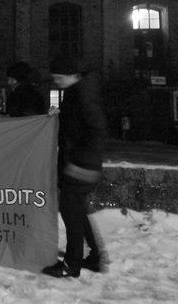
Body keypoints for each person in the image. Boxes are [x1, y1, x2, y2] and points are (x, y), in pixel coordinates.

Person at [42, 56, 108, 278]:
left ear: (72, 75)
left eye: (59, 78)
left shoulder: (82, 95)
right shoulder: (76, 91)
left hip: (81, 165)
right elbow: (76, 125)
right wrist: (58, 115)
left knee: (71, 211)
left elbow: (96, 129)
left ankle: (72, 264)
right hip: (79, 163)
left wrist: (79, 160)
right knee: (77, 210)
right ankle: (95, 258)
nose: (56, 82)